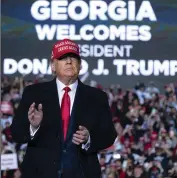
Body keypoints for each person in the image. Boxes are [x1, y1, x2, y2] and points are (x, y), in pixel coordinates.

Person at [10, 38, 117, 178]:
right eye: (63, 58)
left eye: (73, 57)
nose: (69, 61)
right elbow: (16, 133)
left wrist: (89, 138)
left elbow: (109, 134)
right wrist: (33, 127)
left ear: (80, 65)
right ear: (53, 66)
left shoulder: (97, 97)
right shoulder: (34, 93)